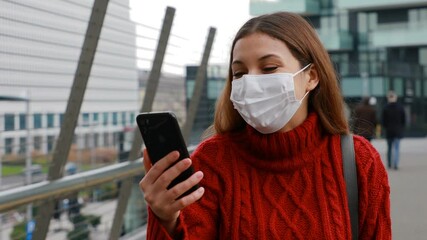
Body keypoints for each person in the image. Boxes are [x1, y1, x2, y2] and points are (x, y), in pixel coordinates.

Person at [140, 11, 391, 239]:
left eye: (269, 67)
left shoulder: (359, 161)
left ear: (311, 77)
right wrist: (166, 219)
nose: (251, 82)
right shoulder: (211, 162)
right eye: (239, 73)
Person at [382, 90, 406, 170]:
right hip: (397, 130)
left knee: (389, 148)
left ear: (388, 98)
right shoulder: (400, 107)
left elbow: (383, 121)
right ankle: (395, 164)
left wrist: (386, 127)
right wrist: (401, 127)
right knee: (396, 148)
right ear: (396, 97)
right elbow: (403, 120)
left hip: (389, 131)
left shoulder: (385, 108)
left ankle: (389, 164)